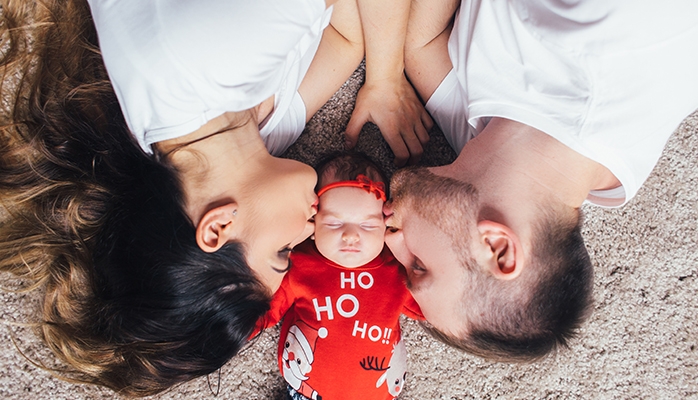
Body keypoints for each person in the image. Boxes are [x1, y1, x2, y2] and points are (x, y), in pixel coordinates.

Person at [0, 0, 429, 395]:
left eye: (282, 251)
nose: (307, 232)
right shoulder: (243, 151)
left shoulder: (207, 57)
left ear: (219, 226)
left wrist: (387, 78)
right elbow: (345, 38)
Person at [383, 0, 698, 361]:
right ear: (498, 248)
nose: (391, 242)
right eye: (419, 267)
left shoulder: (501, 163)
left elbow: (422, 46)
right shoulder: (608, 28)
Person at [256, 152, 423, 400]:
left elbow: (434, 308)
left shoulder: (396, 269)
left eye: (368, 226)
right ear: (313, 225)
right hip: (307, 392)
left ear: (386, 227)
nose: (351, 236)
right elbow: (262, 313)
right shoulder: (298, 264)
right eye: (334, 224)